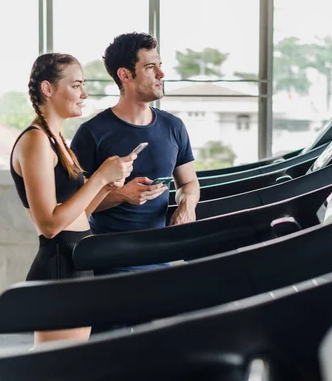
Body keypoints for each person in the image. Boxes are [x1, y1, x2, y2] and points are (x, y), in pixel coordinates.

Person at [10, 53, 136, 345]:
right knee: (56, 369)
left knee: (65, 367)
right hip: (59, 266)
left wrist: (106, 187)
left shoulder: (57, 140)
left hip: (75, 262)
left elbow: (78, 216)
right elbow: (50, 225)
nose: (84, 93)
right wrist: (99, 179)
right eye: (76, 85)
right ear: (48, 89)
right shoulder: (36, 141)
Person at [71, 32, 200, 274]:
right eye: (151, 67)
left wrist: (187, 205)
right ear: (125, 75)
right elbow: (75, 208)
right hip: (107, 263)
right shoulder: (91, 133)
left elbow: (189, 182)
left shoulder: (174, 127)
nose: (161, 74)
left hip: (160, 260)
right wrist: (122, 195)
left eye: (160, 66)